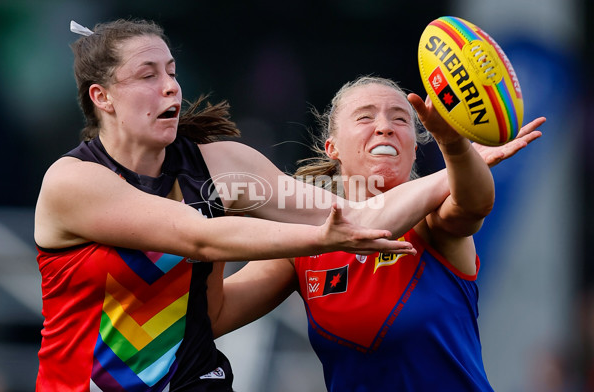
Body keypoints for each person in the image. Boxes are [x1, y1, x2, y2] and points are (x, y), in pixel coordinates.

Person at [34, 20, 462, 391]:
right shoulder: (73, 181)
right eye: (147, 75)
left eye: (172, 72)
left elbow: (358, 220)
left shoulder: (220, 163)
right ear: (102, 97)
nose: (170, 86)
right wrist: (319, 239)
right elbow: (199, 237)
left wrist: (463, 162)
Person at [214, 76, 546, 391]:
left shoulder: (431, 220)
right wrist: (209, 227)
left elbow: (473, 206)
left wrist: (454, 145)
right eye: (365, 117)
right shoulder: (305, 241)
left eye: (401, 119)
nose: (385, 127)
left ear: (416, 147)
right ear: (333, 147)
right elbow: (214, 316)